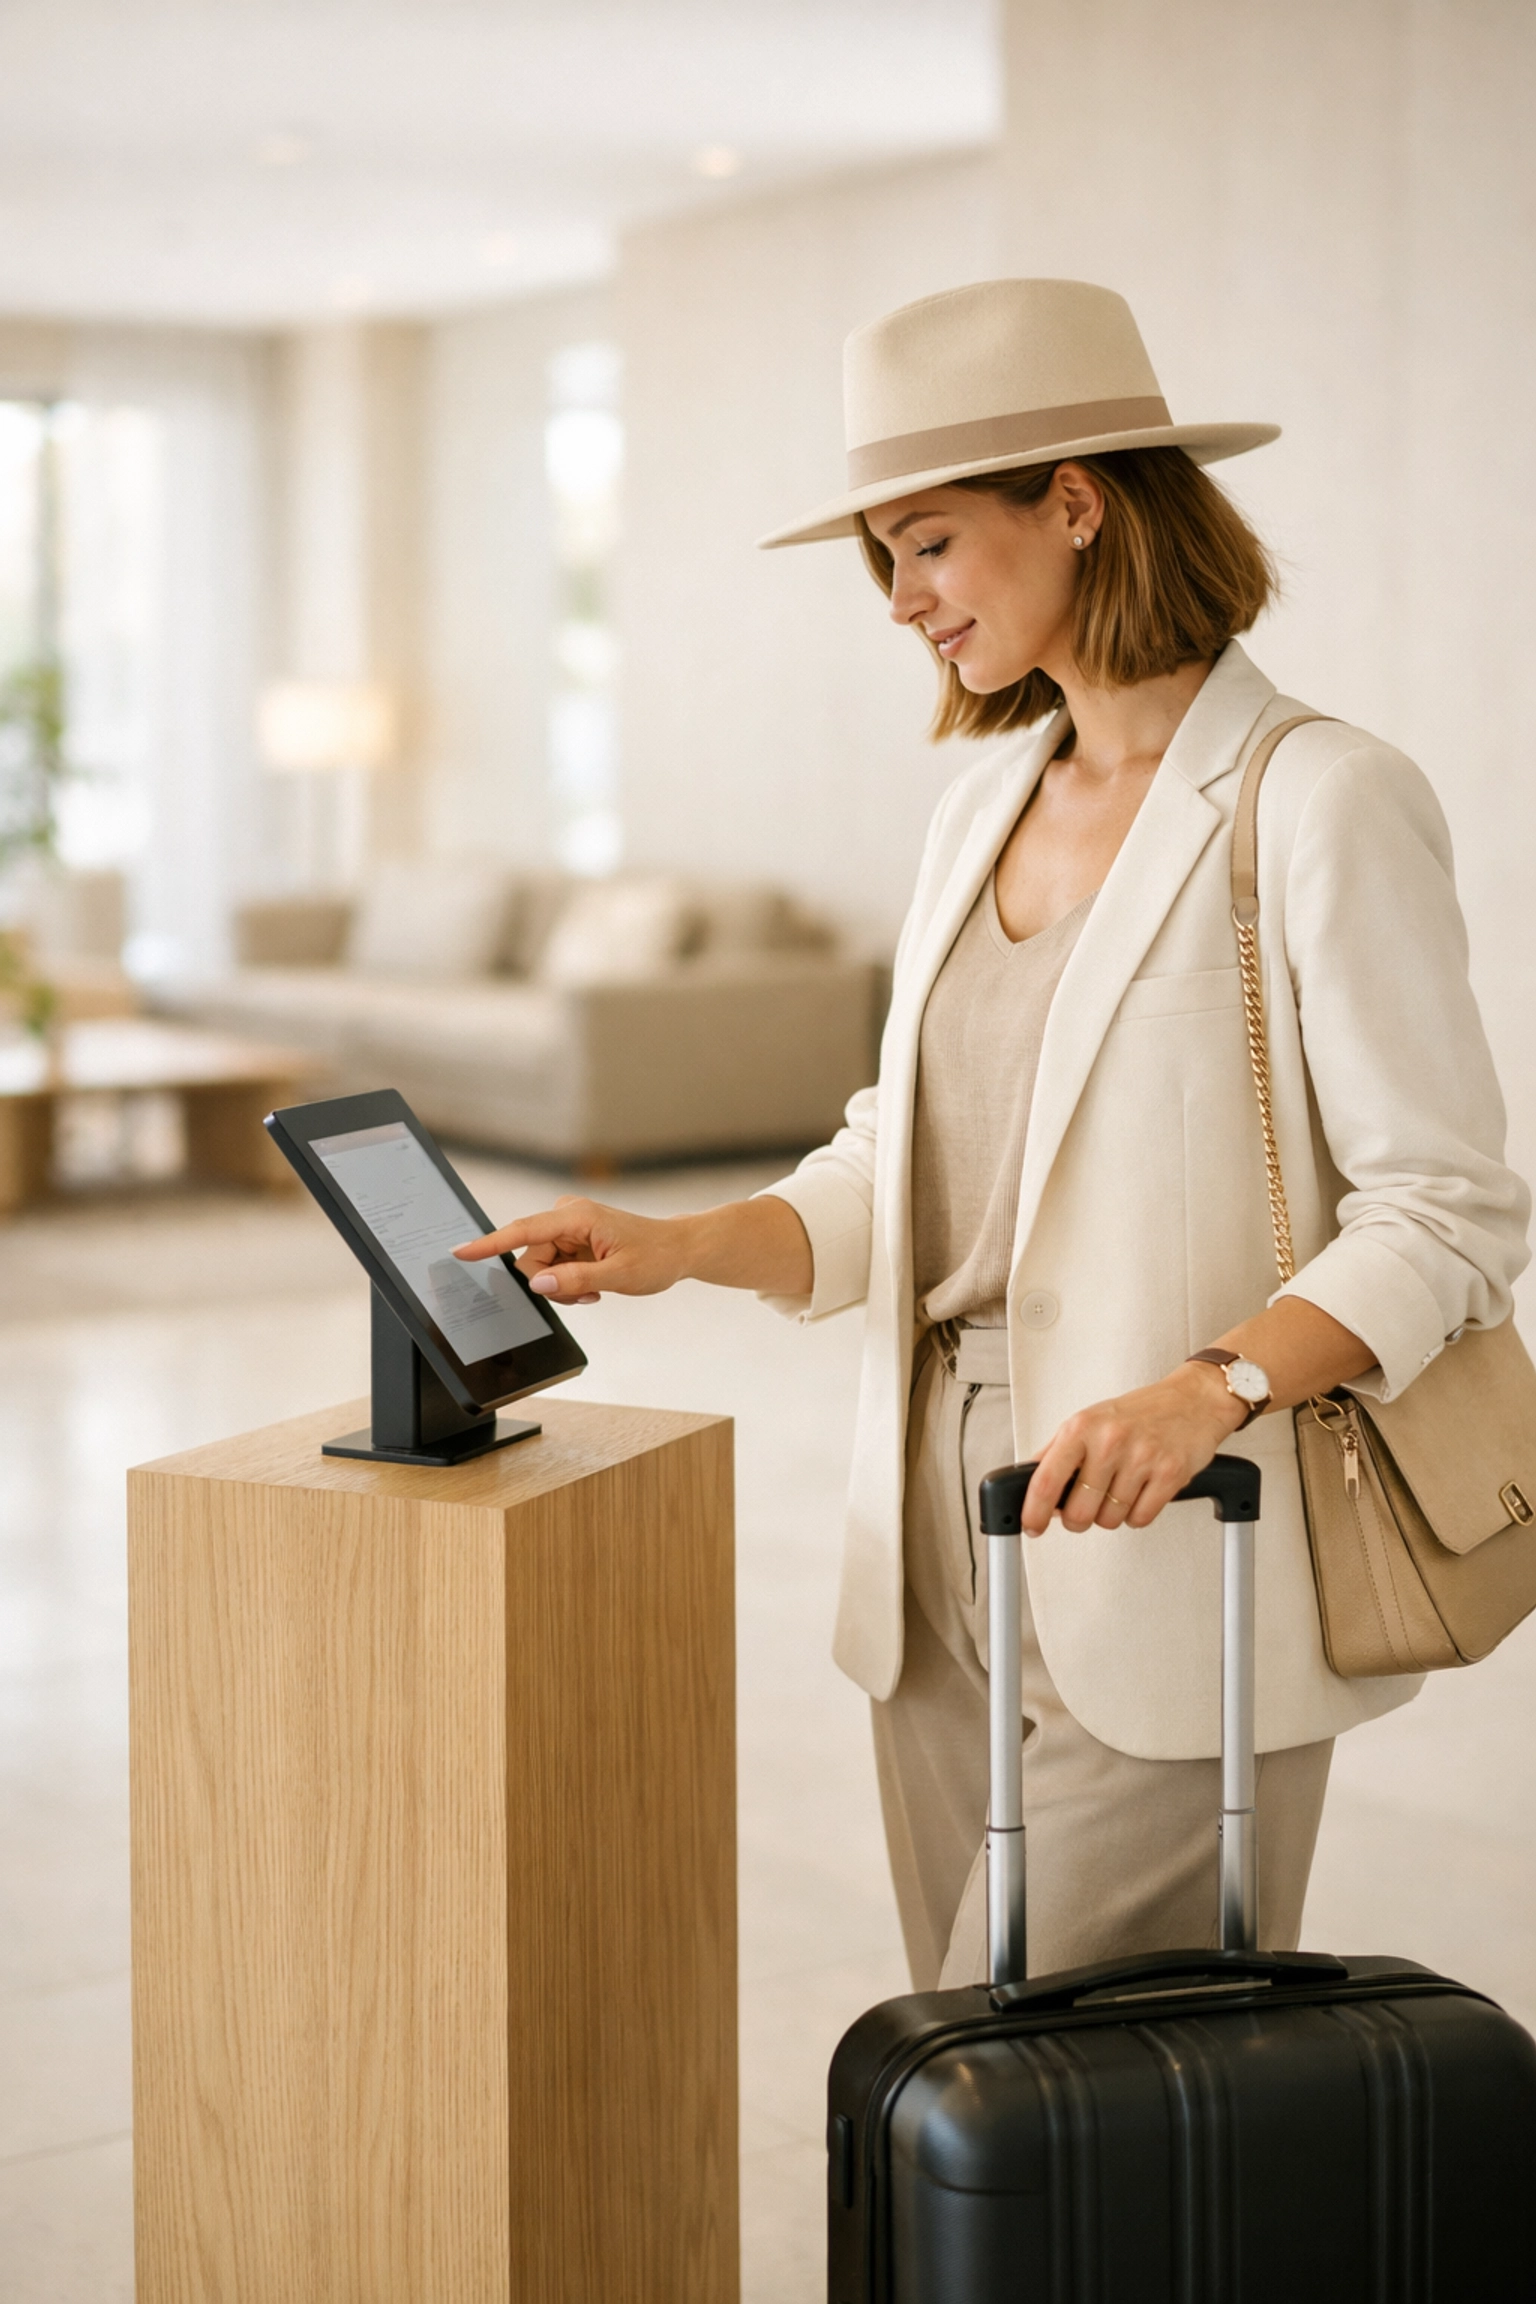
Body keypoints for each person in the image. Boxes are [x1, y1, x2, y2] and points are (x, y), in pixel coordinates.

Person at [455, 280, 1529, 1989]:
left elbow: (1449, 1211)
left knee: (1062, 2081)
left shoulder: (1319, 796)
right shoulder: (980, 808)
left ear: (1080, 503)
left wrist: (1214, 1388)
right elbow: (911, 1163)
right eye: (884, 558)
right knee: (982, 2091)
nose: (901, 602)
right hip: (930, 1535)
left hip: (1172, 1526)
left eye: (931, 544)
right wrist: (681, 1244)